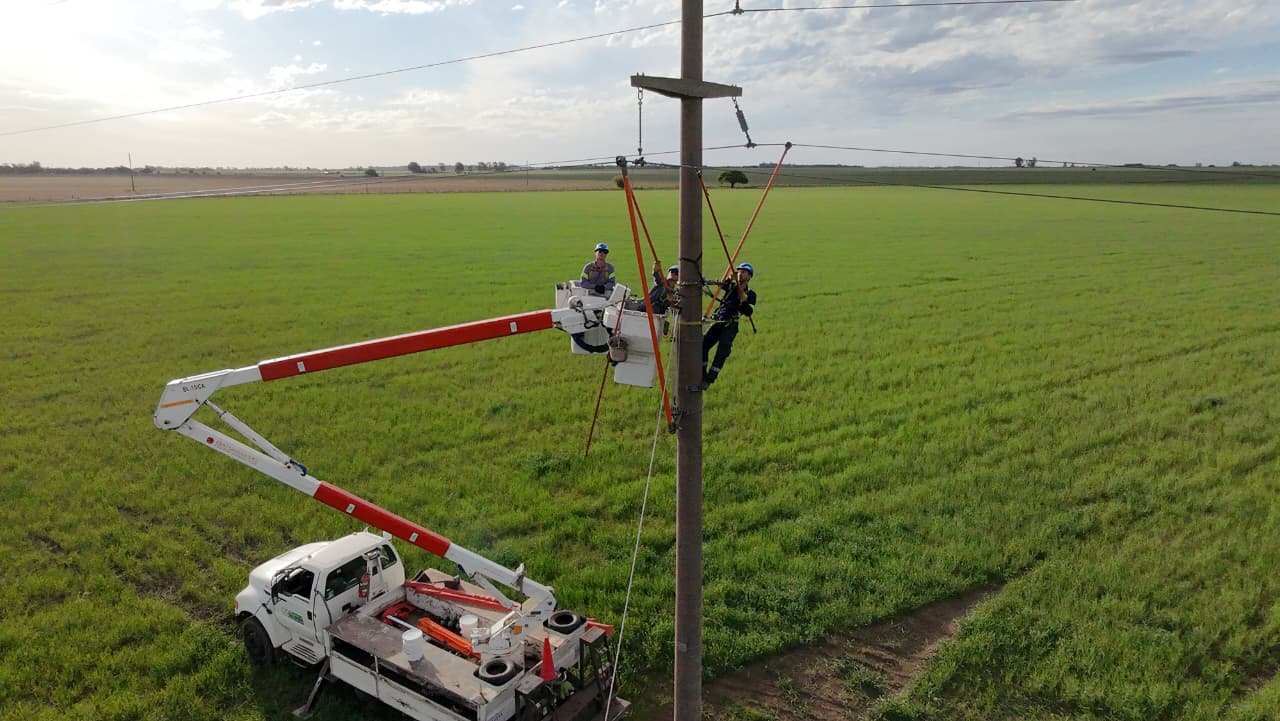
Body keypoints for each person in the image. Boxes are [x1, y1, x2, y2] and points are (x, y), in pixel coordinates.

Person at [701, 262, 756, 389]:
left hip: (730, 326)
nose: (741, 273)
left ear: (749, 276)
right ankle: (702, 372)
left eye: (744, 272)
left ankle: (710, 378)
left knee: (722, 352)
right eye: (739, 271)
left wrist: (743, 300)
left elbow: (749, 312)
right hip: (718, 321)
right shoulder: (732, 286)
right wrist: (729, 279)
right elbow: (722, 284)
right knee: (703, 345)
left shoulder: (751, 294)